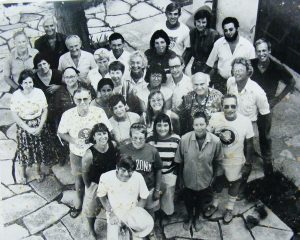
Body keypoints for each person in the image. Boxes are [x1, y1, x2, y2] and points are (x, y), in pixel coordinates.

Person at [57, 86, 112, 218]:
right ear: (73, 99)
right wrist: (73, 140)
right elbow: (61, 132)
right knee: (79, 179)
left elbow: (108, 130)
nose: (82, 102)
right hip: (77, 153)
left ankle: (103, 203)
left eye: (85, 99)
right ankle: (78, 204)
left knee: (101, 178)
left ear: (91, 98)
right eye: (78, 99)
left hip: (97, 152)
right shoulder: (68, 115)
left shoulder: (98, 112)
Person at [206, 94, 254, 223]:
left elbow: (250, 143)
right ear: (222, 106)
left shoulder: (245, 121)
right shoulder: (216, 117)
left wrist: (248, 163)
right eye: (226, 106)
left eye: (233, 106)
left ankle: (229, 208)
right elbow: (208, 137)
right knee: (217, 182)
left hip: (236, 159)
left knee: (235, 182)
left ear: (237, 106)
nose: (230, 109)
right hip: (219, 158)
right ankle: (214, 204)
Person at [175, 111, 223, 231]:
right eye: (196, 125)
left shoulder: (215, 141)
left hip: (205, 178)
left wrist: (214, 177)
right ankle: (190, 217)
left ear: (206, 124)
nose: (199, 127)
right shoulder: (184, 139)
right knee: (188, 199)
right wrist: (180, 179)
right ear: (193, 125)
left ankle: (197, 218)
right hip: (188, 178)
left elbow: (217, 160)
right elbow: (180, 160)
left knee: (201, 200)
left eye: (202, 124)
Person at [227, 57, 272, 177]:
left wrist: (263, 133)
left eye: (240, 70)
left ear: (248, 72)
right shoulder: (230, 82)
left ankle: (249, 165)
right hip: (234, 120)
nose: (237, 73)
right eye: (234, 70)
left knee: (248, 146)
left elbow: (265, 114)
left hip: (249, 125)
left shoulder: (257, 91)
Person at [97, 154, 154, 239]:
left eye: (130, 171)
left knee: (139, 235)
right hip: (114, 212)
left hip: (132, 211)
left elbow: (143, 197)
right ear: (117, 168)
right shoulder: (106, 177)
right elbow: (102, 196)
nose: (126, 174)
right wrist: (111, 214)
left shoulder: (138, 177)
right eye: (123, 170)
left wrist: (136, 213)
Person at [10, 69, 48, 184]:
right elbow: (15, 115)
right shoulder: (16, 95)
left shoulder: (39, 92)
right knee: (24, 150)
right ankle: (22, 173)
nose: (28, 85)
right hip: (24, 126)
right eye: (25, 82)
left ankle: (37, 171)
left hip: (38, 124)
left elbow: (45, 110)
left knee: (38, 149)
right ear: (21, 83)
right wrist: (27, 128)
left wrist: (40, 126)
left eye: (30, 82)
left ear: (33, 82)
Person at [82, 123, 119, 239]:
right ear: (94, 137)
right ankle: (91, 229)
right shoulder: (89, 154)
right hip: (96, 183)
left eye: (104, 133)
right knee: (91, 208)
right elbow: (84, 172)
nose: (102, 136)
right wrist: (88, 186)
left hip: (112, 182)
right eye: (99, 134)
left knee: (114, 205)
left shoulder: (113, 144)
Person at [119, 123, 163, 218]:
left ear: (146, 138)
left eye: (141, 138)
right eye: (134, 138)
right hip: (129, 190)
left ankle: (150, 230)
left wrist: (157, 189)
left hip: (148, 188)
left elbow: (158, 170)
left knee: (150, 211)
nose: (138, 141)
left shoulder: (152, 151)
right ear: (130, 137)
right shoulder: (122, 150)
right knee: (131, 212)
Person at [205, 17, 255, 93]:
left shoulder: (248, 46)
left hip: (239, 84)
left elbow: (252, 70)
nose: (228, 32)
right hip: (221, 82)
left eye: (231, 29)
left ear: (237, 28)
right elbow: (210, 64)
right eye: (225, 30)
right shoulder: (218, 43)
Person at [147, 113, 180, 224]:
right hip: (153, 174)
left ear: (170, 126)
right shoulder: (150, 138)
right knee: (154, 197)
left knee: (168, 196)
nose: (162, 128)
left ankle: (167, 214)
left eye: (165, 125)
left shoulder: (176, 139)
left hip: (169, 173)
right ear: (155, 126)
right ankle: (156, 215)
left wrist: (175, 174)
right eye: (159, 125)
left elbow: (179, 160)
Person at [251, 38, 295, 109]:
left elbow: (292, 82)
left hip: (266, 106)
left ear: (269, 51)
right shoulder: (250, 64)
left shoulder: (278, 68)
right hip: (249, 103)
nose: (261, 54)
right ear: (256, 52)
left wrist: (277, 99)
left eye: (264, 50)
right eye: (259, 51)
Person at [183, 6, 220, 74]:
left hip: (209, 69)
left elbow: (216, 57)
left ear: (207, 23)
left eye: (203, 22)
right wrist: (182, 66)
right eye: (198, 21)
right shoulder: (192, 33)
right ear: (195, 21)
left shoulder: (214, 35)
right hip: (195, 67)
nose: (200, 25)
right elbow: (189, 51)